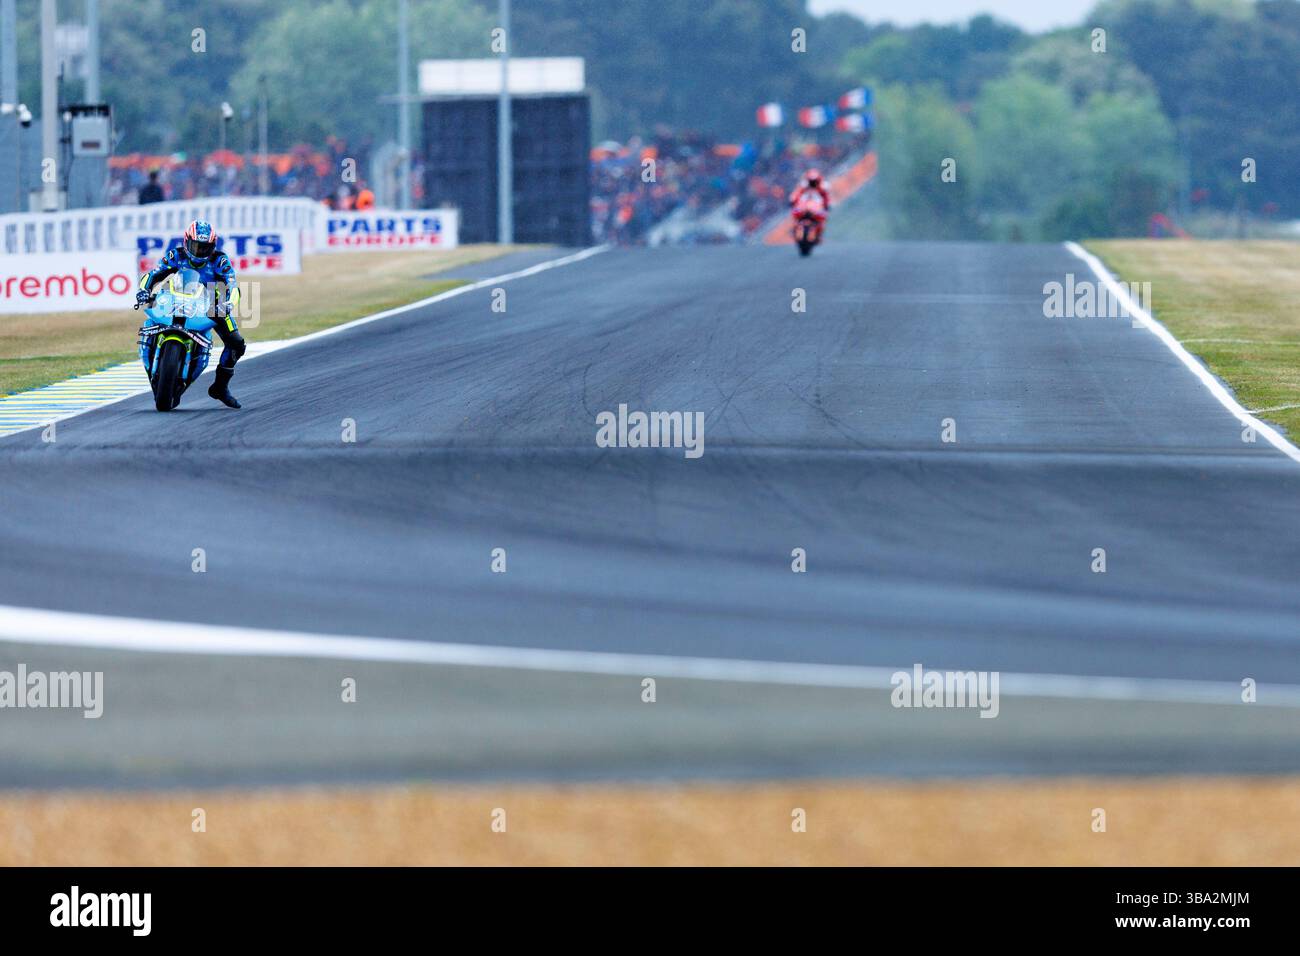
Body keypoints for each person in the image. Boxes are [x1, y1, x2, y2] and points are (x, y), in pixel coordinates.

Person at [135, 220, 246, 409]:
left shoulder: (220, 260)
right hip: (175, 297)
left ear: (213, 246)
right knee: (150, 317)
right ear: (186, 242)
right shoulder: (175, 255)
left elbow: (233, 286)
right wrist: (143, 289)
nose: (199, 251)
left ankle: (220, 387)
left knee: (237, 344)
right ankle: (152, 353)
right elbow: (153, 274)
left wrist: (228, 304)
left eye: (205, 248)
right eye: (196, 246)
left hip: (211, 304)